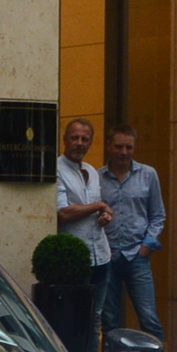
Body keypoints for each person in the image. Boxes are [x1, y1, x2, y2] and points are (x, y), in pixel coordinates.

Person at [98, 126, 165, 341]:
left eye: (129, 147)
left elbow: (158, 215)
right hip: (108, 256)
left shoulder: (148, 174)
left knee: (148, 318)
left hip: (137, 255)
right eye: (119, 146)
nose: (124, 152)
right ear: (109, 146)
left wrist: (147, 246)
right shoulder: (97, 177)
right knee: (110, 321)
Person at [54, 117, 113, 312]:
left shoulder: (92, 171)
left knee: (95, 316)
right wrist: (99, 205)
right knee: (74, 316)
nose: (80, 143)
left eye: (85, 139)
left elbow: (95, 209)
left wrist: (104, 216)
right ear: (64, 139)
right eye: (75, 138)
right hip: (76, 258)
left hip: (102, 255)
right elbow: (64, 213)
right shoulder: (56, 169)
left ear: (90, 143)